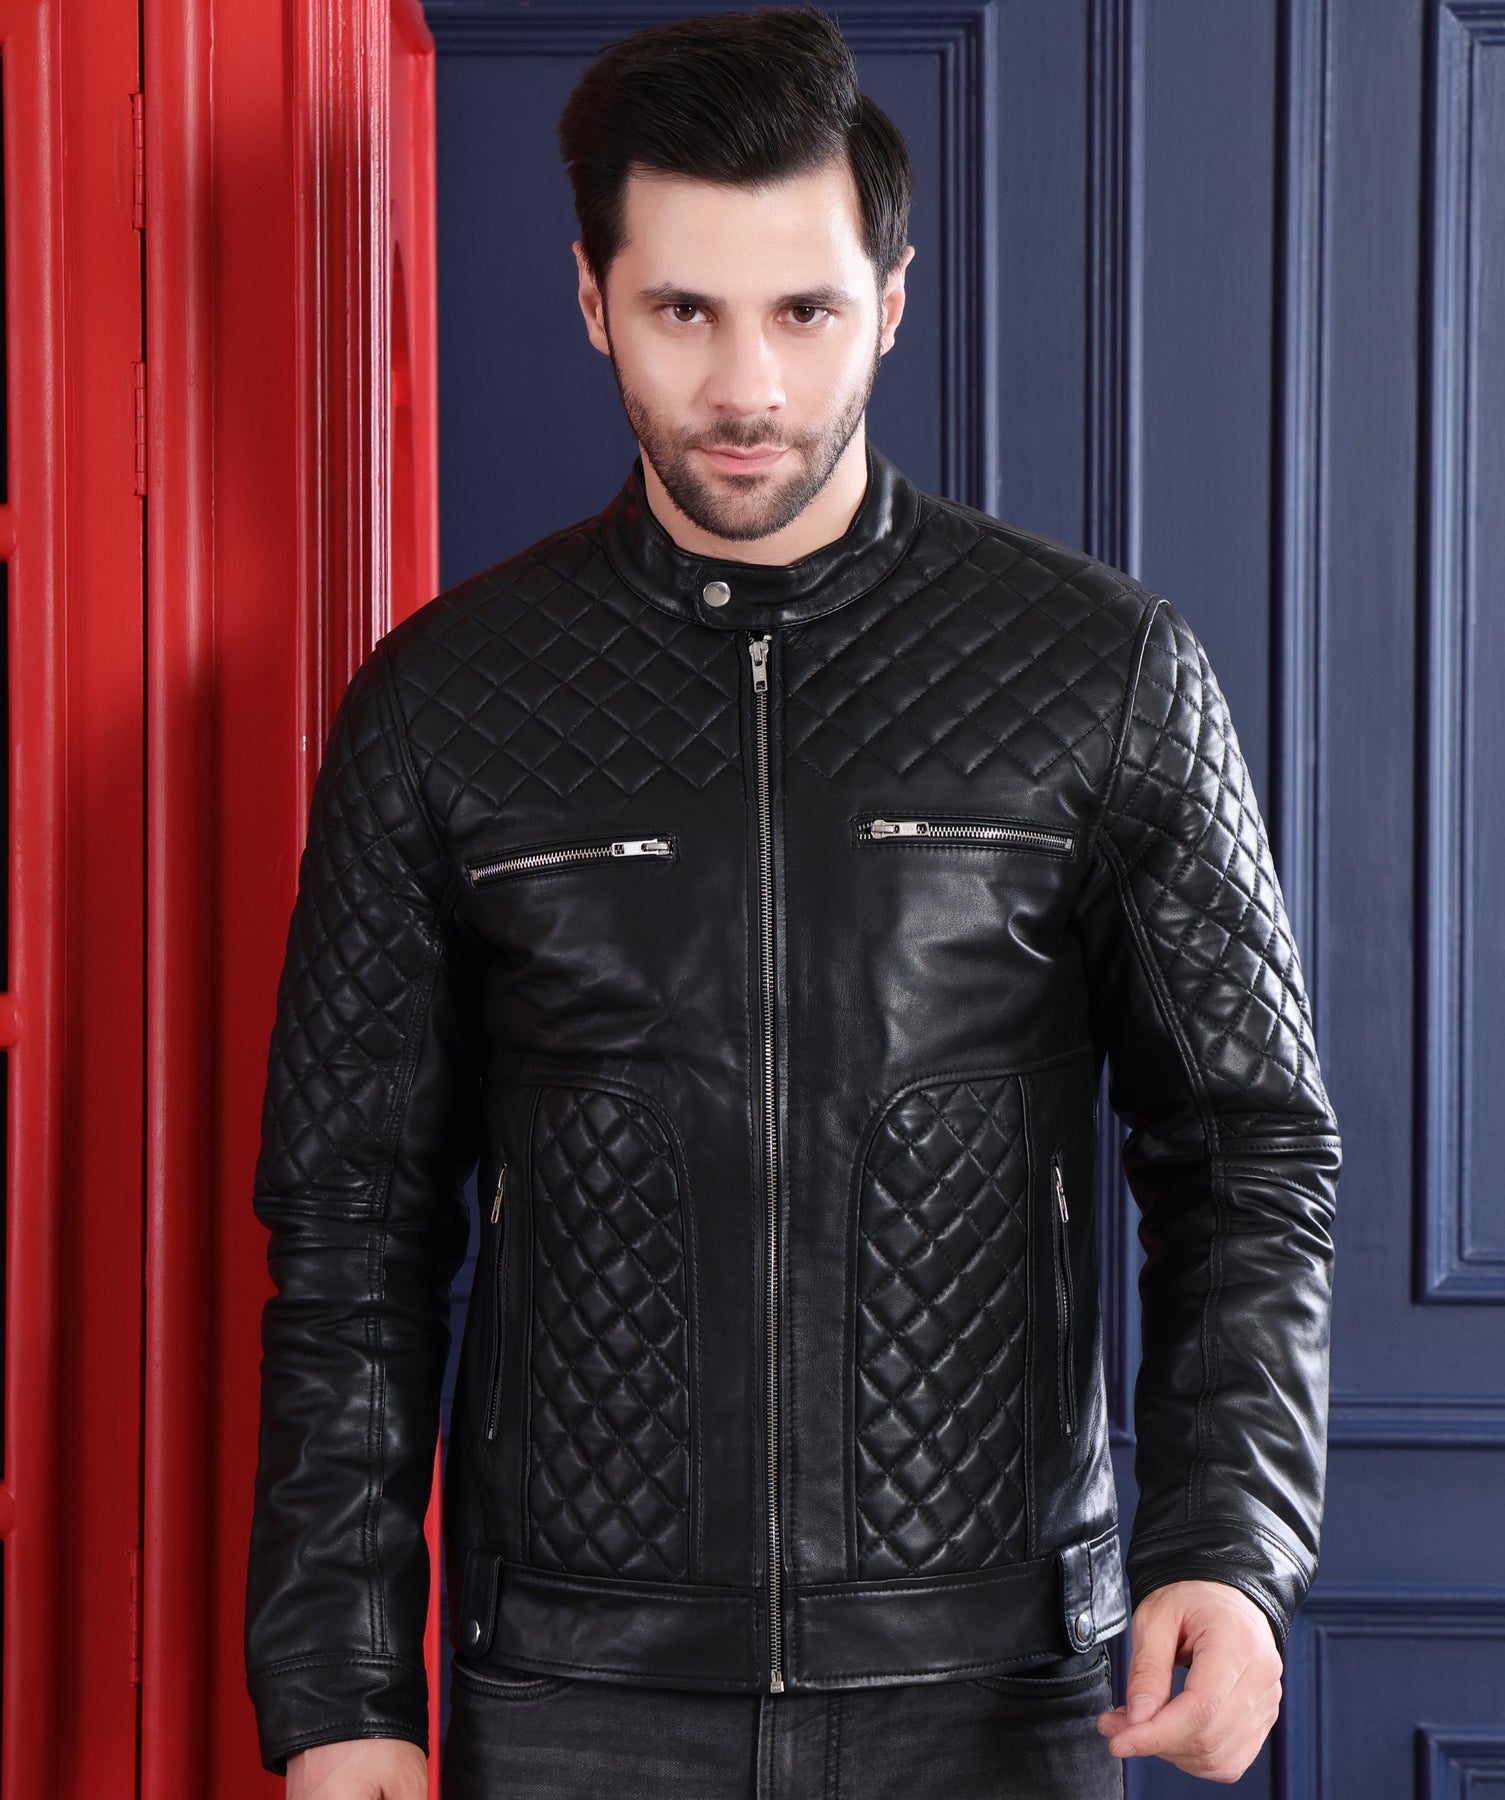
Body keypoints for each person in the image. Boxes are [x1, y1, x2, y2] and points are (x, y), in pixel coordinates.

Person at [243, 7, 1341, 1796]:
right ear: (593, 300)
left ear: (890, 303)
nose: (746, 387)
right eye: (684, 311)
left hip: (989, 1685)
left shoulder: (1105, 673)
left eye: (804, 312)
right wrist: (340, 1691)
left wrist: (1228, 1545)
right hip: (577, 1692)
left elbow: (1247, 1157)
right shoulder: (441, 705)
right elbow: (352, 1233)